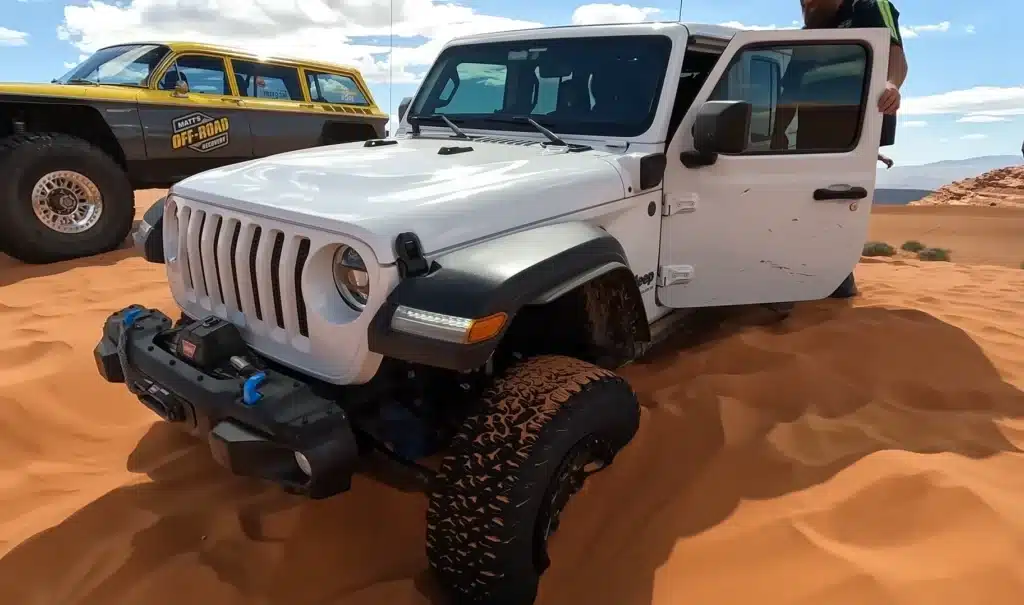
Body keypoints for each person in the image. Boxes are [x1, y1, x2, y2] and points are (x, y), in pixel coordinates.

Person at [775, 0, 910, 299]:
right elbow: (787, 96)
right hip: (810, 138)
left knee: (833, 205)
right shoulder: (806, 37)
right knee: (802, 206)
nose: (806, 5)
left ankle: (836, 284)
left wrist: (891, 84)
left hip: (854, 131)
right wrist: (775, 139)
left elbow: (895, 54)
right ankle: (808, 278)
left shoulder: (869, 6)